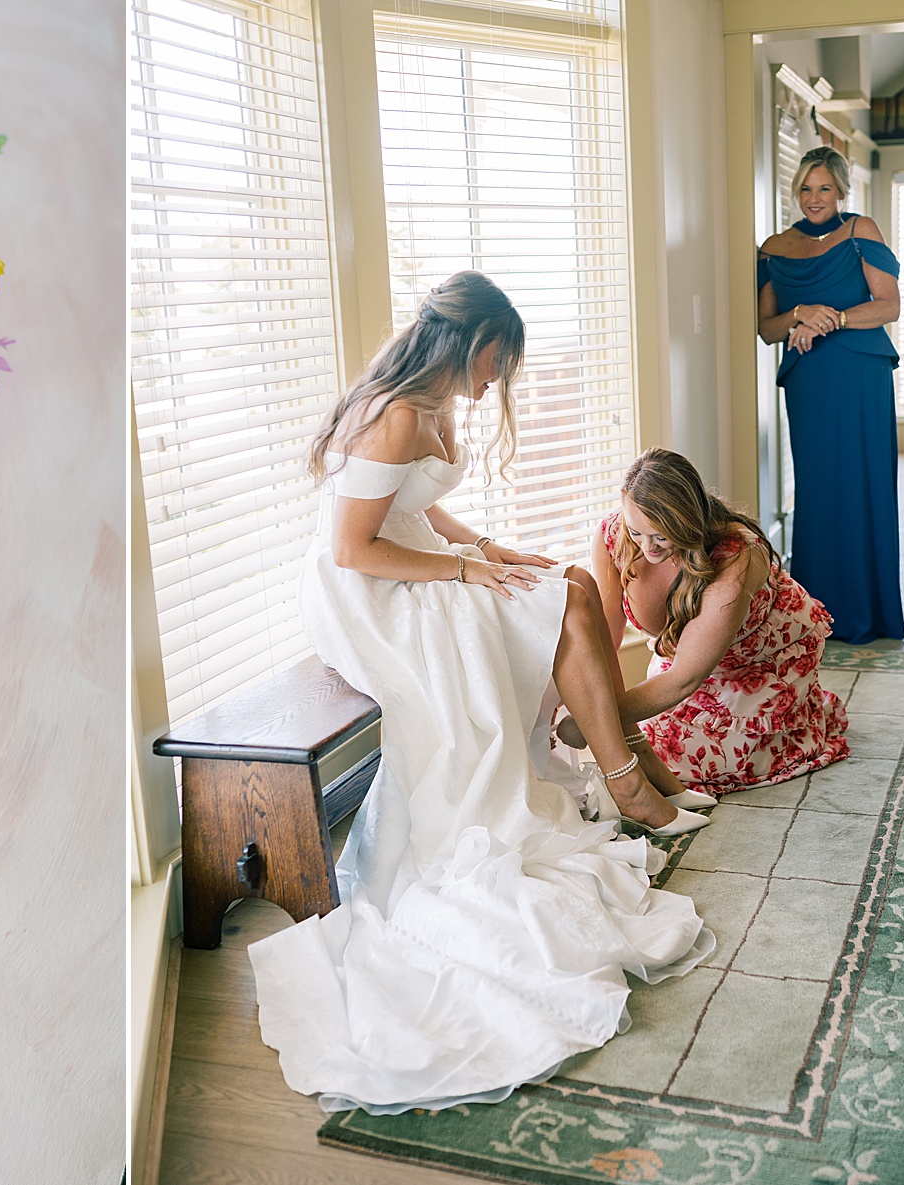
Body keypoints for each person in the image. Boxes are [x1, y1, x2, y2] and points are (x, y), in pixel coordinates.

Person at [247, 272, 715, 1116]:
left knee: (567, 583)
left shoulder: (432, 397)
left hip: (412, 560)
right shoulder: (396, 412)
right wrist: (465, 573)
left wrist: (490, 549)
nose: (500, 375)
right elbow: (353, 549)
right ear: (472, 342)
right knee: (571, 596)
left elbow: (416, 510)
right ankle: (629, 781)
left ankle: (625, 771)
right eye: (500, 358)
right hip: (372, 596)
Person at [559, 448, 848, 793]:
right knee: (646, 749)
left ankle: (797, 717)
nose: (648, 548)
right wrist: (565, 693)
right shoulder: (612, 535)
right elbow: (606, 636)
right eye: (637, 532)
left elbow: (684, 678)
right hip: (686, 655)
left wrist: (590, 718)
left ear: (688, 520)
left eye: (661, 536)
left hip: (760, 662)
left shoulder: (738, 555)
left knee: (695, 765)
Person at [756, 144, 904, 643]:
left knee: (864, 482)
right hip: (810, 380)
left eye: (824, 188)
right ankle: (815, 613)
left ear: (841, 191)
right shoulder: (774, 246)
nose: (814, 197)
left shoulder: (862, 231)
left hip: (861, 375)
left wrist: (833, 319)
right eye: (805, 188)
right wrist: (801, 314)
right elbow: (766, 328)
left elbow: (888, 306)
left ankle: (869, 612)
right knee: (817, 488)